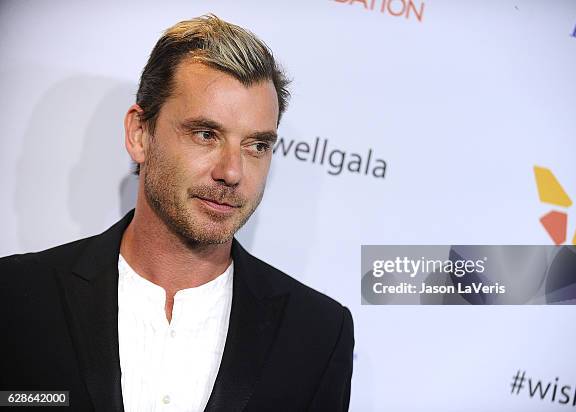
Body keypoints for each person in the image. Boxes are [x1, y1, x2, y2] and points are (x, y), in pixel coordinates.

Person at [0, 15, 354, 411]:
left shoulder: (317, 334)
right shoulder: (16, 296)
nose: (232, 172)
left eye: (256, 145)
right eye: (206, 134)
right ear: (139, 134)